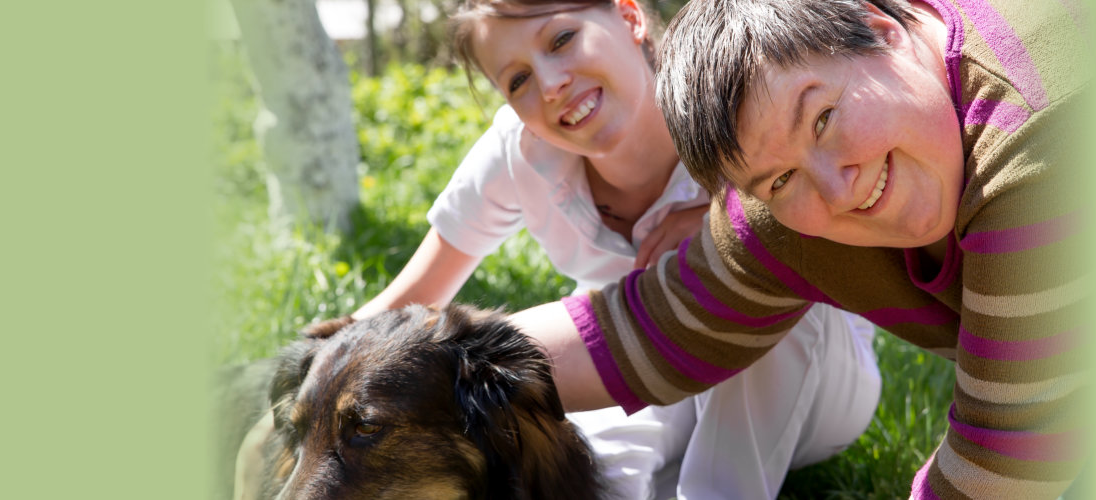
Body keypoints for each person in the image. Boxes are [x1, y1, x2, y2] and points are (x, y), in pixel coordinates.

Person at [505, 0, 1088, 497]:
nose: (838, 190)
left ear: (882, 30)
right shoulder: (792, 207)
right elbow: (657, 328)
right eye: (779, 180)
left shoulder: (1042, 136)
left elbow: (1006, 458)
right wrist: (447, 365)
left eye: (824, 118)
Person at [349, 0, 884, 498]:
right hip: (646, 368)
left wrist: (730, 225)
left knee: (756, 280)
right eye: (518, 80)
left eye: (561, 39)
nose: (551, 84)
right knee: (595, 472)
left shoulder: (726, 98)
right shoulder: (519, 153)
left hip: (814, 382)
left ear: (629, 16)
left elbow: (838, 217)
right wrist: (307, 383)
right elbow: (409, 301)